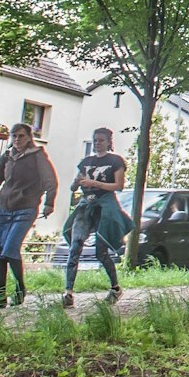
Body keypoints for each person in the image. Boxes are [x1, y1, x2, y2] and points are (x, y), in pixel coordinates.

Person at [0, 122, 56, 307]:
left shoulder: (37, 156)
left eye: (21, 136)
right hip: (4, 208)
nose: (17, 139)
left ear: (29, 137)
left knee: (10, 248)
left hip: (26, 207)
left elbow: (50, 180)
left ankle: (20, 288)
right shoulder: (6, 157)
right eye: (14, 136)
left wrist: (49, 203)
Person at [60, 127, 131, 307]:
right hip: (86, 206)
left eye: (101, 140)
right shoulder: (86, 161)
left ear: (108, 142)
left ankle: (115, 287)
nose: (97, 143)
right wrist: (77, 183)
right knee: (75, 244)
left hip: (105, 206)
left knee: (101, 250)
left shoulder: (115, 161)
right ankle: (68, 291)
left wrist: (95, 183)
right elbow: (73, 187)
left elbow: (119, 185)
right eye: (95, 140)